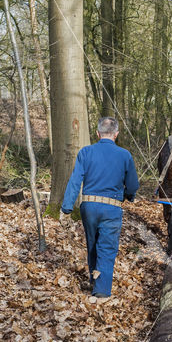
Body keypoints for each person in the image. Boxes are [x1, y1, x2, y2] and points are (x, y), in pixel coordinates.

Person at [61, 116, 139, 298]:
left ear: (98, 133)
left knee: (92, 244)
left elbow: (75, 181)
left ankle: (95, 280)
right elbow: (133, 185)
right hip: (111, 208)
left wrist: (67, 206)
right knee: (107, 247)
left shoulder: (85, 152)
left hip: (88, 207)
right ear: (116, 134)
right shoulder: (125, 155)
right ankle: (102, 291)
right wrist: (129, 195)